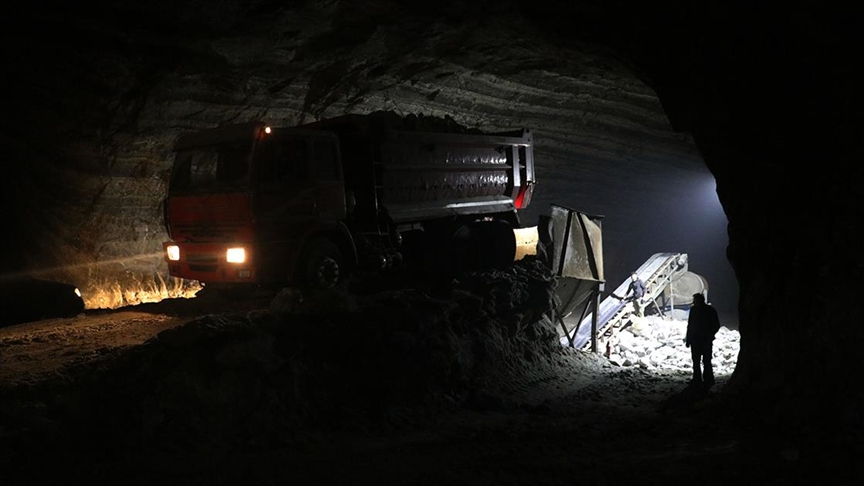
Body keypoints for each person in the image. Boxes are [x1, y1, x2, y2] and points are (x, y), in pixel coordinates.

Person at [685, 292, 721, 389]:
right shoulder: (704, 310)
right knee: (701, 361)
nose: (694, 302)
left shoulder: (699, 310)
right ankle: (705, 380)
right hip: (701, 340)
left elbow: (690, 326)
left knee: (703, 360)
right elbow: (690, 325)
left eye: (695, 300)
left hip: (701, 340)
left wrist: (709, 334)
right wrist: (688, 339)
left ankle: (702, 380)